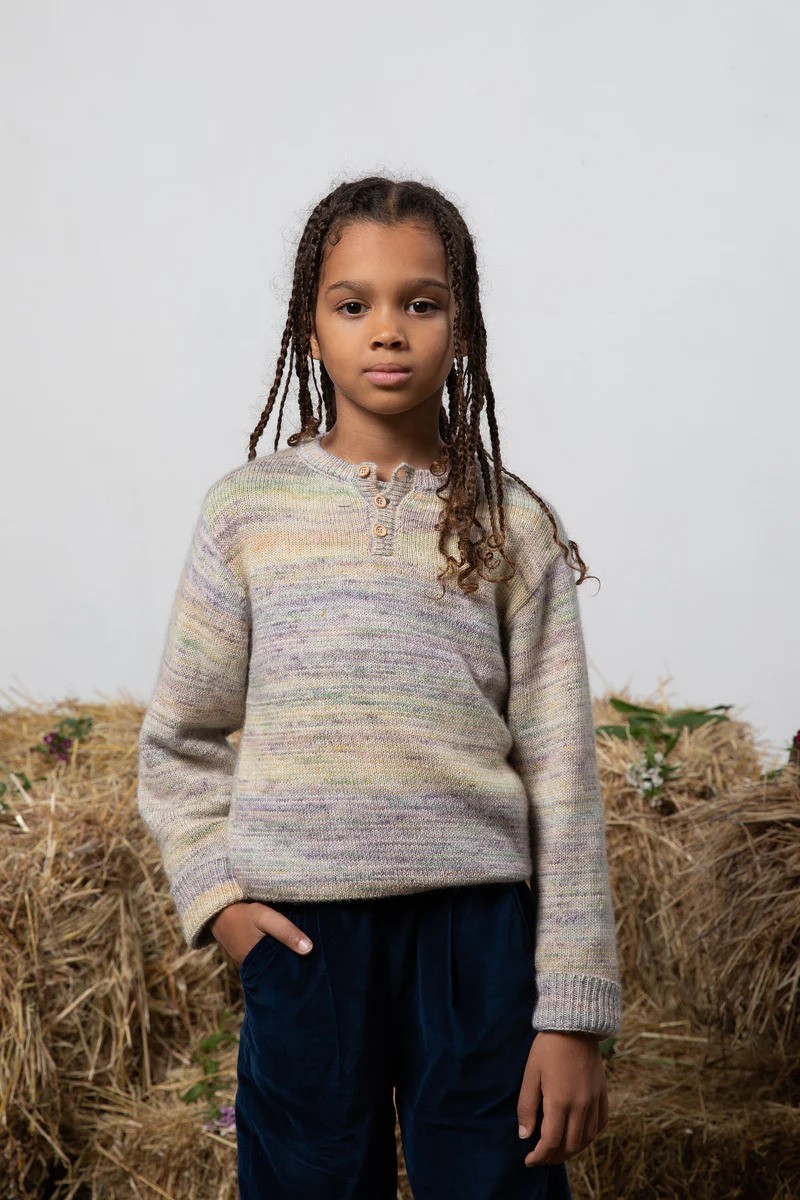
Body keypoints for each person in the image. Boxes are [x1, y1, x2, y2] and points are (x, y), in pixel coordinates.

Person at [137, 174, 622, 1200]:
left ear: (462, 325)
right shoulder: (247, 513)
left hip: (476, 939)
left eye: (421, 303)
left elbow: (563, 778)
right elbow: (180, 741)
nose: (388, 330)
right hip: (303, 937)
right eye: (352, 304)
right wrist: (220, 902)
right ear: (309, 329)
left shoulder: (511, 524)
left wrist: (573, 1012)